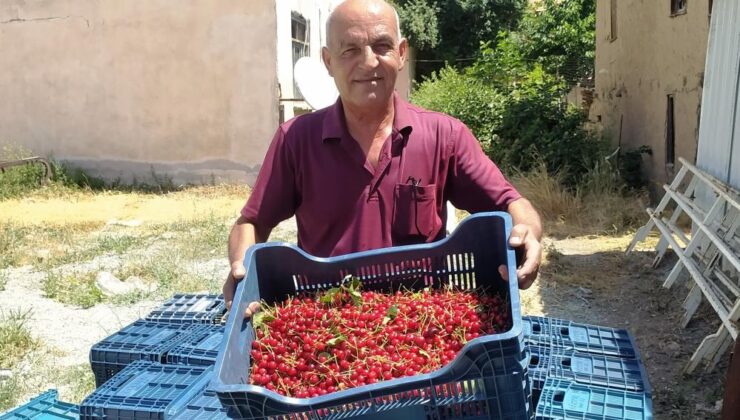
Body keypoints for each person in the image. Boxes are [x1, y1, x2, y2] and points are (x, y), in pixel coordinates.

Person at [223, 0, 542, 313]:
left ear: (401, 53)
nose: (368, 62)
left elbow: (510, 203)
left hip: (422, 324)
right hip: (329, 322)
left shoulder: (445, 136)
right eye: (349, 50)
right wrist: (242, 268)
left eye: (382, 46)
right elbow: (252, 221)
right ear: (328, 61)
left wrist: (528, 230)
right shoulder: (296, 140)